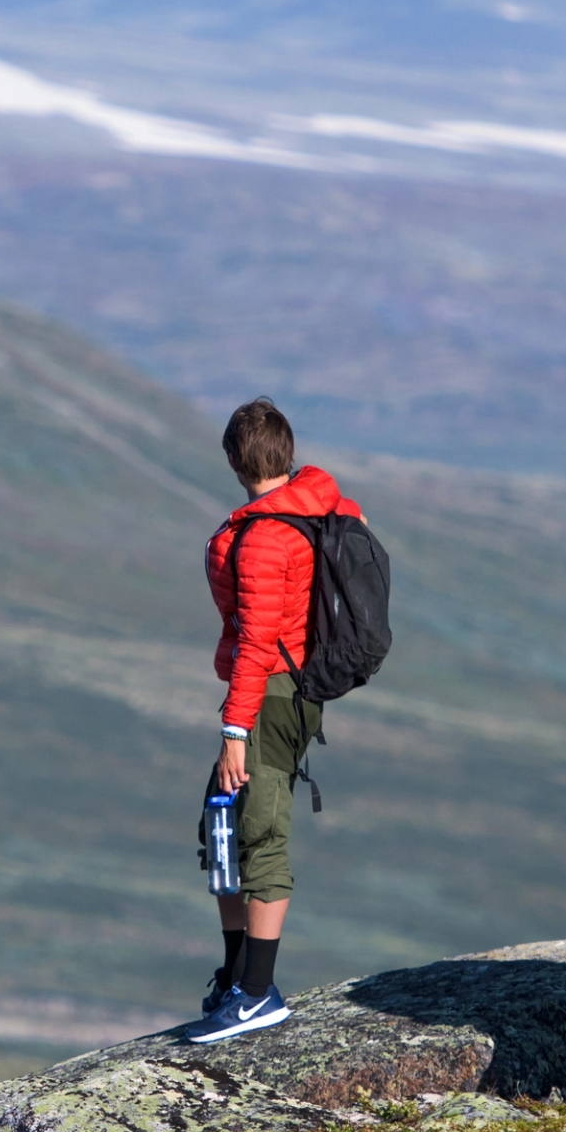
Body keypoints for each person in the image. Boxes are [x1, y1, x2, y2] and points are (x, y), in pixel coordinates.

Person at [186, 396, 366, 1043]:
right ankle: (236, 977)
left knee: (258, 834)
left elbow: (259, 642)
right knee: (224, 827)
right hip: (278, 693)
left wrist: (235, 731)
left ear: (236, 460)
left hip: (269, 696)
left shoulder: (266, 536)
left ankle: (257, 993)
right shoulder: (312, 507)